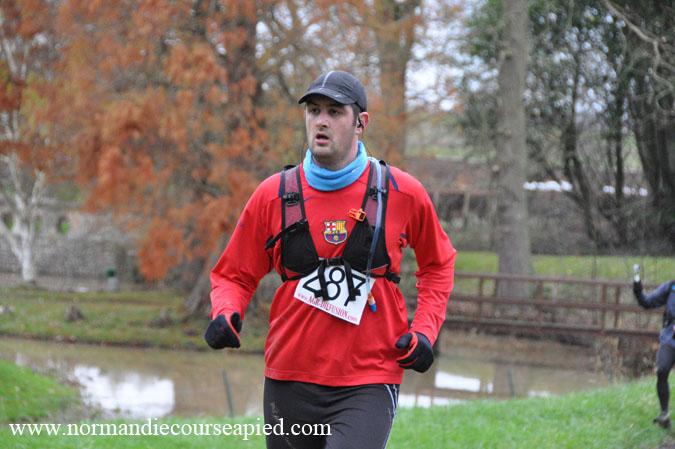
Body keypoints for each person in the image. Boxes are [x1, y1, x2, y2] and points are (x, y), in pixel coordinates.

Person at [204, 70, 456, 449]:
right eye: (314, 111)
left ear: (360, 123)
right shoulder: (273, 194)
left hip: (369, 378)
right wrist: (226, 311)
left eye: (335, 112)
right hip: (289, 375)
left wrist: (424, 330)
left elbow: (438, 264)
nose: (321, 121)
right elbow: (234, 274)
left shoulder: (402, 192)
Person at [633, 269, 675, 429]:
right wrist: (637, 288)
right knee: (662, 370)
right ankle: (664, 414)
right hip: (670, 340)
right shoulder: (671, 287)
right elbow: (646, 302)